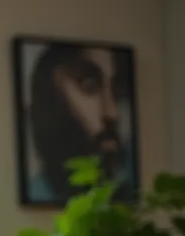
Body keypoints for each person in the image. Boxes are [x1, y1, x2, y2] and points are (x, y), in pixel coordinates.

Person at [26, 43, 135, 202]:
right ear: (51, 103)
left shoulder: (130, 177)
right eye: (89, 86)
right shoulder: (37, 192)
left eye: (116, 89)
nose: (112, 113)